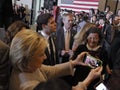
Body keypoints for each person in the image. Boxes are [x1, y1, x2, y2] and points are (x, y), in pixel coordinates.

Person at [9, 29, 102, 90]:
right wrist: (88, 80)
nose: (45, 57)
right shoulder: (27, 86)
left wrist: (74, 63)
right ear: (28, 57)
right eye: (41, 54)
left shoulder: (28, 66)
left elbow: (51, 70)